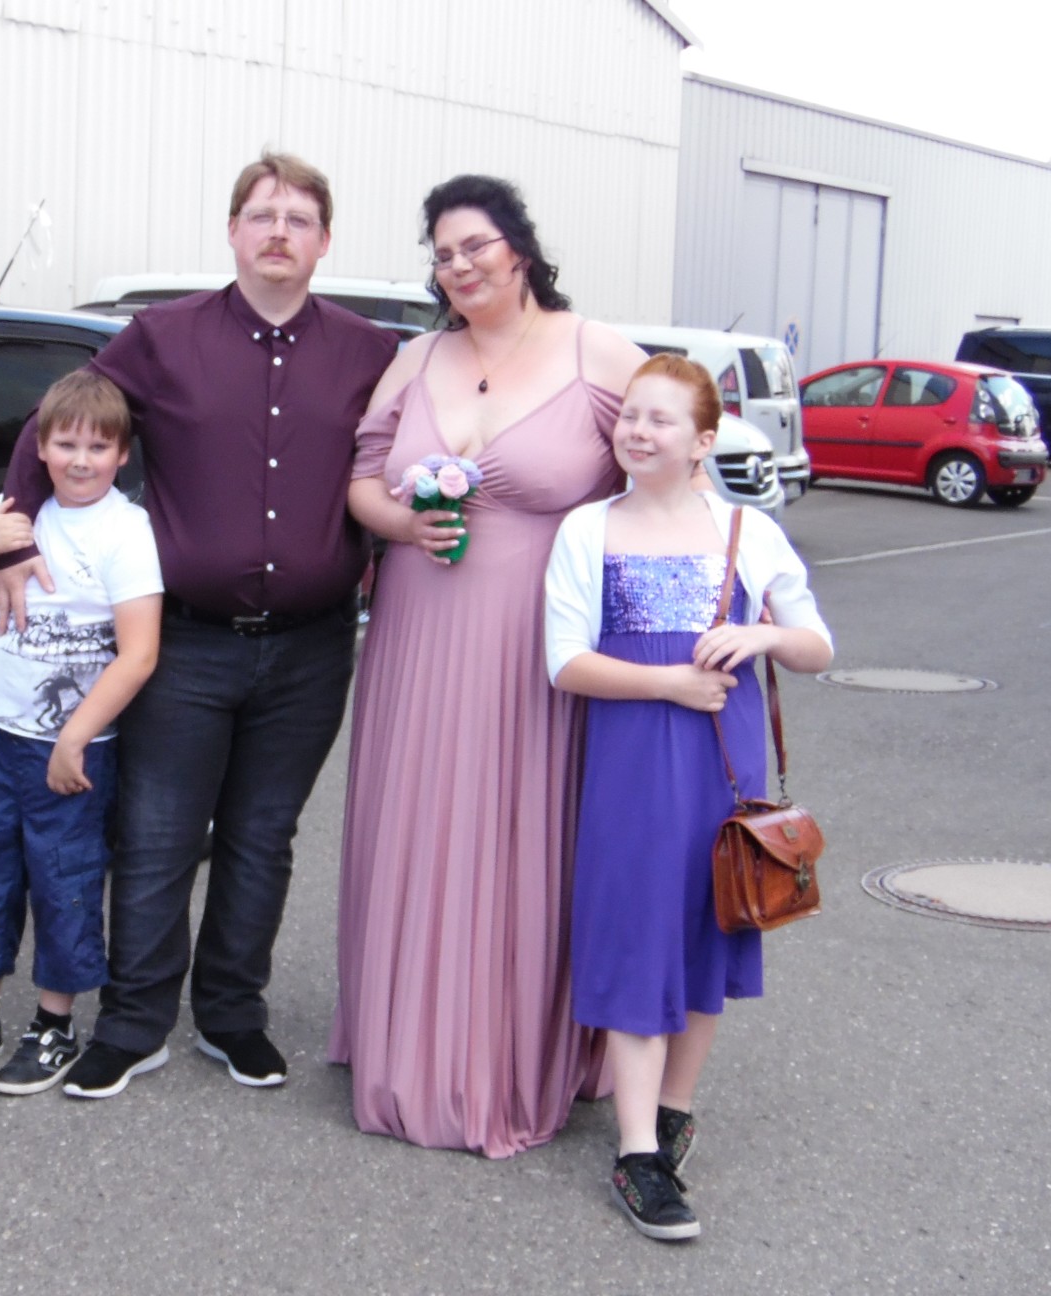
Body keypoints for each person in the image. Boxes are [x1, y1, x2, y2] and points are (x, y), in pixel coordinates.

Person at [0, 153, 396, 1100]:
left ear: (325, 241)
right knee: (158, 834)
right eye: (263, 215)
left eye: (299, 218)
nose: (280, 231)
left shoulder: (371, 353)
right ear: (233, 231)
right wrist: (13, 535)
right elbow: (53, 420)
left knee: (262, 835)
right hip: (185, 643)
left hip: (312, 646)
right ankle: (134, 1024)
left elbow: (416, 453)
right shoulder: (164, 338)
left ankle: (231, 1015)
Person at [329, 174, 647, 1157]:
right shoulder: (416, 358)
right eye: (442, 253)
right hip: (416, 634)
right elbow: (362, 479)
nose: (458, 265)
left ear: (520, 247)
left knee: (516, 835)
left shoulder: (600, 353)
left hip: (536, 645)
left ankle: (508, 1058)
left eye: (475, 245)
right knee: (418, 822)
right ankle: (405, 1047)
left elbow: (671, 469)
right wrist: (399, 524)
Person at [543, 354, 832, 1239]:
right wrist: (671, 682)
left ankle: (674, 1110)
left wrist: (761, 634)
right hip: (631, 769)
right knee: (638, 934)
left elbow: (817, 646)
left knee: (713, 925)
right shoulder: (588, 528)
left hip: (725, 768)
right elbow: (565, 662)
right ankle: (637, 1155)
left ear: (704, 441)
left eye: (660, 420)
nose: (637, 431)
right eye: (630, 414)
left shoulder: (750, 530)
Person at [0, 370, 163, 1096]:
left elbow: (139, 653)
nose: (81, 460)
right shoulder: (14, 512)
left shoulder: (125, 532)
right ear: (39, 447)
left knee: (64, 879)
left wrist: (75, 737)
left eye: (98, 447)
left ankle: (54, 1025)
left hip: (72, 749)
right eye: (66, 444)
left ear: (122, 454)